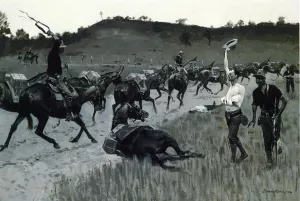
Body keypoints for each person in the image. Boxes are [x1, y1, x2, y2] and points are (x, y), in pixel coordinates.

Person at [248, 69, 287, 166]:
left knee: (275, 137)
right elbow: (255, 104)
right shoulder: (256, 92)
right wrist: (253, 118)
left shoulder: (273, 89)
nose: (258, 81)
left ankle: (277, 145)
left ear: (264, 79)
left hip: (274, 116)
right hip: (264, 118)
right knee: (266, 139)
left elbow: (285, 101)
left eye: (260, 79)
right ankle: (269, 160)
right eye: (257, 79)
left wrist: (278, 116)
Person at [220, 46, 248, 163]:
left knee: (231, 137)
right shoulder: (231, 86)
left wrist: (225, 100)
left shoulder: (240, 88)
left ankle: (233, 159)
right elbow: (225, 66)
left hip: (236, 116)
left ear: (236, 76)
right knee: (234, 137)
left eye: (232, 74)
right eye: (229, 74)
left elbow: (237, 103)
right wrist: (226, 52)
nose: (229, 75)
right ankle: (244, 154)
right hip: (228, 115)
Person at [47, 39, 76, 121]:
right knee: (69, 94)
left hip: (51, 75)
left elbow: (54, 66)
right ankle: (68, 114)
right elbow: (54, 68)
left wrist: (62, 67)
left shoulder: (52, 53)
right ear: (58, 47)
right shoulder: (55, 55)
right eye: (62, 47)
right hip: (55, 78)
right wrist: (57, 75)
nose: (63, 49)